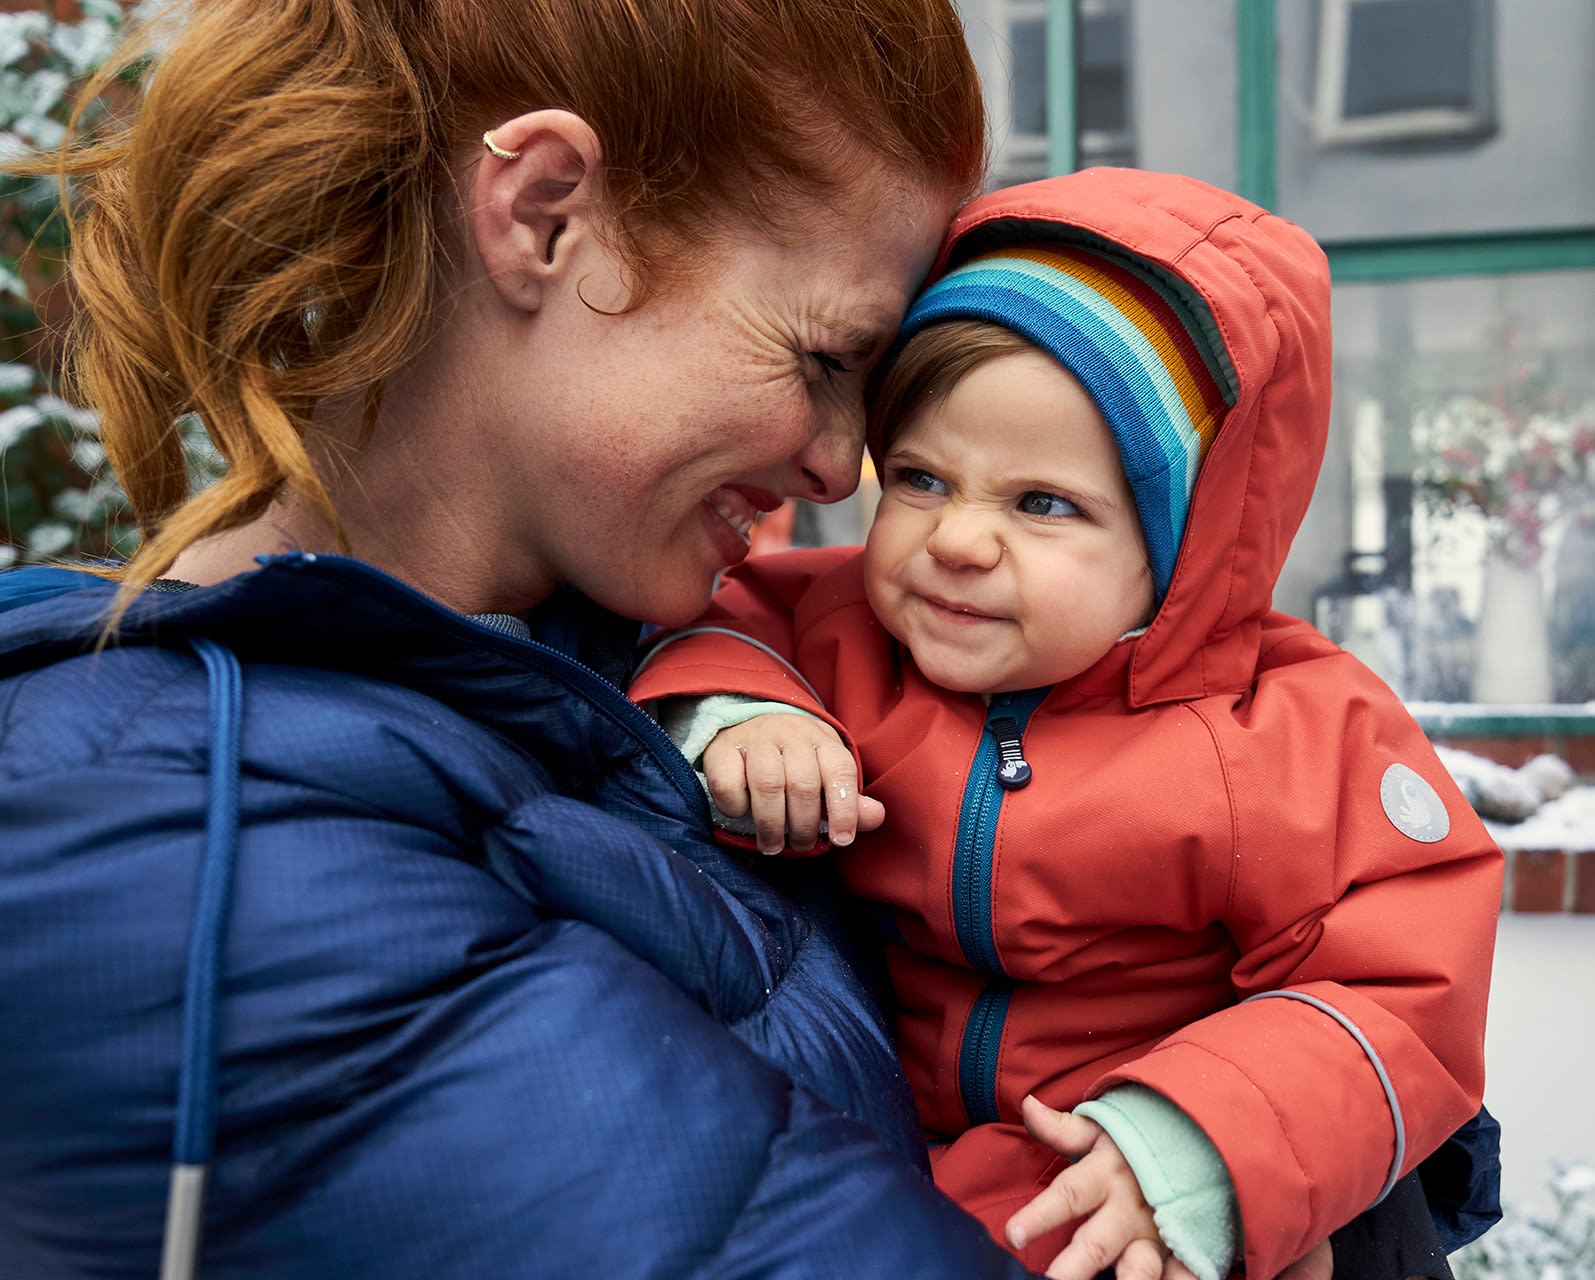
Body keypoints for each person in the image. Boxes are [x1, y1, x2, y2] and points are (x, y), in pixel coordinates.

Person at [0, 1, 1051, 1276]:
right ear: (544, 213)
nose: (842, 461)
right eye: (827, 356)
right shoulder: (165, 843)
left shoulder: (628, 665)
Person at [629, 167, 1506, 1280]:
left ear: (1181, 549)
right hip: (904, 1165)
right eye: (921, 477)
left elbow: (1402, 980)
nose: (958, 539)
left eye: (1042, 503)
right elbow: (718, 610)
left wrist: (1207, 1144)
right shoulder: (845, 626)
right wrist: (747, 711)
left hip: (1126, 1183)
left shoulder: (1280, 729)